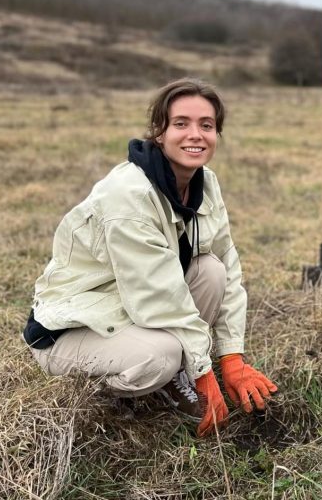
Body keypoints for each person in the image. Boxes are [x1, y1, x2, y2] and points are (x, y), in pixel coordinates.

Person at [23, 78, 277, 437]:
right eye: (181, 124)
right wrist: (205, 374)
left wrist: (232, 359)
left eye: (206, 125)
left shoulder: (206, 184)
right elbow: (157, 295)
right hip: (74, 327)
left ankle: (175, 375)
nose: (195, 135)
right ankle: (127, 391)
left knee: (212, 271)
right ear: (159, 132)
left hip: (127, 307)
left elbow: (230, 270)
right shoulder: (128, 195)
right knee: (161, 357)